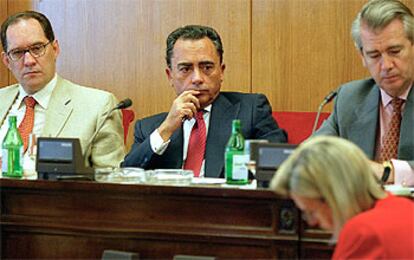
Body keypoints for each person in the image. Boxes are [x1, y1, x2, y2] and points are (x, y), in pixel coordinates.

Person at [122, 25, 287, 177]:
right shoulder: (149, 128)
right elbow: (126, 175)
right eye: (185, 69)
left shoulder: (251, 109)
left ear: (221, 72)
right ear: (170, 76)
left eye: (207, 67)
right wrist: (166, 129)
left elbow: (279, 162)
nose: (197, 79)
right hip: (169, 208)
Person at [0, 11, 125, 168]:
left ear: (55, 49)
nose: (29, 61)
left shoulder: (98, 106)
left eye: (37, 48)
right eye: (17, 52)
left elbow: (109, 180)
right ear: (6, 61)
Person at [315, 0, 414, 186]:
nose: (386, 66)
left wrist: (387, 172)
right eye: (374, 55)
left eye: (394, 51)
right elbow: (313, 154)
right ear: (362, 56)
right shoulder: (350, 97)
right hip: (359, 211)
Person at [270, 136, 414, 259]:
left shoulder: (363, 232)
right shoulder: (405, 206)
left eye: (311, 212)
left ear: (333, 195)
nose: (312, 222)